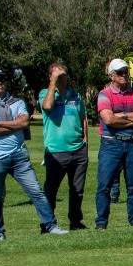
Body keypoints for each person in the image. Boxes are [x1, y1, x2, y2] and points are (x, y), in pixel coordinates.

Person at [0, 69, 68, 241]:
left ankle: (51, 225)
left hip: (18, 155)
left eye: (2, 79)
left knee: (36, 192)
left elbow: (25, 122)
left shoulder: (16, 102)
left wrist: (0, 123)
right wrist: (13, 125)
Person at [94, 59, 133, 230]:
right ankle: (101, 222)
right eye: (119, 72)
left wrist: (121, 116)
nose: (124, 75)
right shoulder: (104, 95)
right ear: (111, 76)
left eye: (125, 71)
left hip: (132, 144)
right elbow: (108, 119)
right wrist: (132, 119)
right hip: (111, 145)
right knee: (105, 185)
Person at [39, 63, 89, 230]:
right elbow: (47, 106)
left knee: (77, 189)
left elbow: (83, 118)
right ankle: (48, 222)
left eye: (64, 74)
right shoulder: (45, 94)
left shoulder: (76, 95)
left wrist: (85, 141)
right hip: (56, 151)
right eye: (58, 75)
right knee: (51, 189)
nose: (63, 77)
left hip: (78, 149)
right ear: (51, 77)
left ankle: (75, 221)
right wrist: (53, 83)